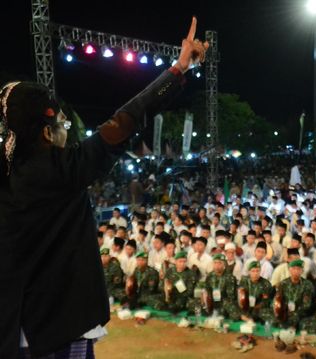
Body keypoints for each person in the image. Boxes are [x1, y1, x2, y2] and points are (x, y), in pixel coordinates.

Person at [0, 17, 208, 357]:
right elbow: (126, 119)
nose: (66, 128)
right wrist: (178, 69)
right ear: (45, 130)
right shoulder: (64, 169)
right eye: (61, 122)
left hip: (13, 331)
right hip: (60, 329)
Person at [274, 259, 314, 329]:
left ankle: (291, 327)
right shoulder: (283, 283)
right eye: (293, 269)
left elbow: (306, 305)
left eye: (298, 269)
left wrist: (294, 312)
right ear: (289, 270)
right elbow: (277, 300)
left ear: (302, 271)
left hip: (299, 312)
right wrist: (281, 310)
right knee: (274, 318)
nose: (296, 271)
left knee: (293, 319)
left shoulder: (307, 284)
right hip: (285, 310)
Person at [204, 254, 240, 320]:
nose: (217, 265)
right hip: (213, 302)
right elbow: (207, 290)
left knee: (233, 314)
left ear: (224, 265)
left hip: (224, 302)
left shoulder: (230, 277)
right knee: (196, 304)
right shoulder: (210, 275)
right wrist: (207, 302)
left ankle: (219, 313)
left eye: (220, 263)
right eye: (215, 263)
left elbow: (230, 297)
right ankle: (213, 312)